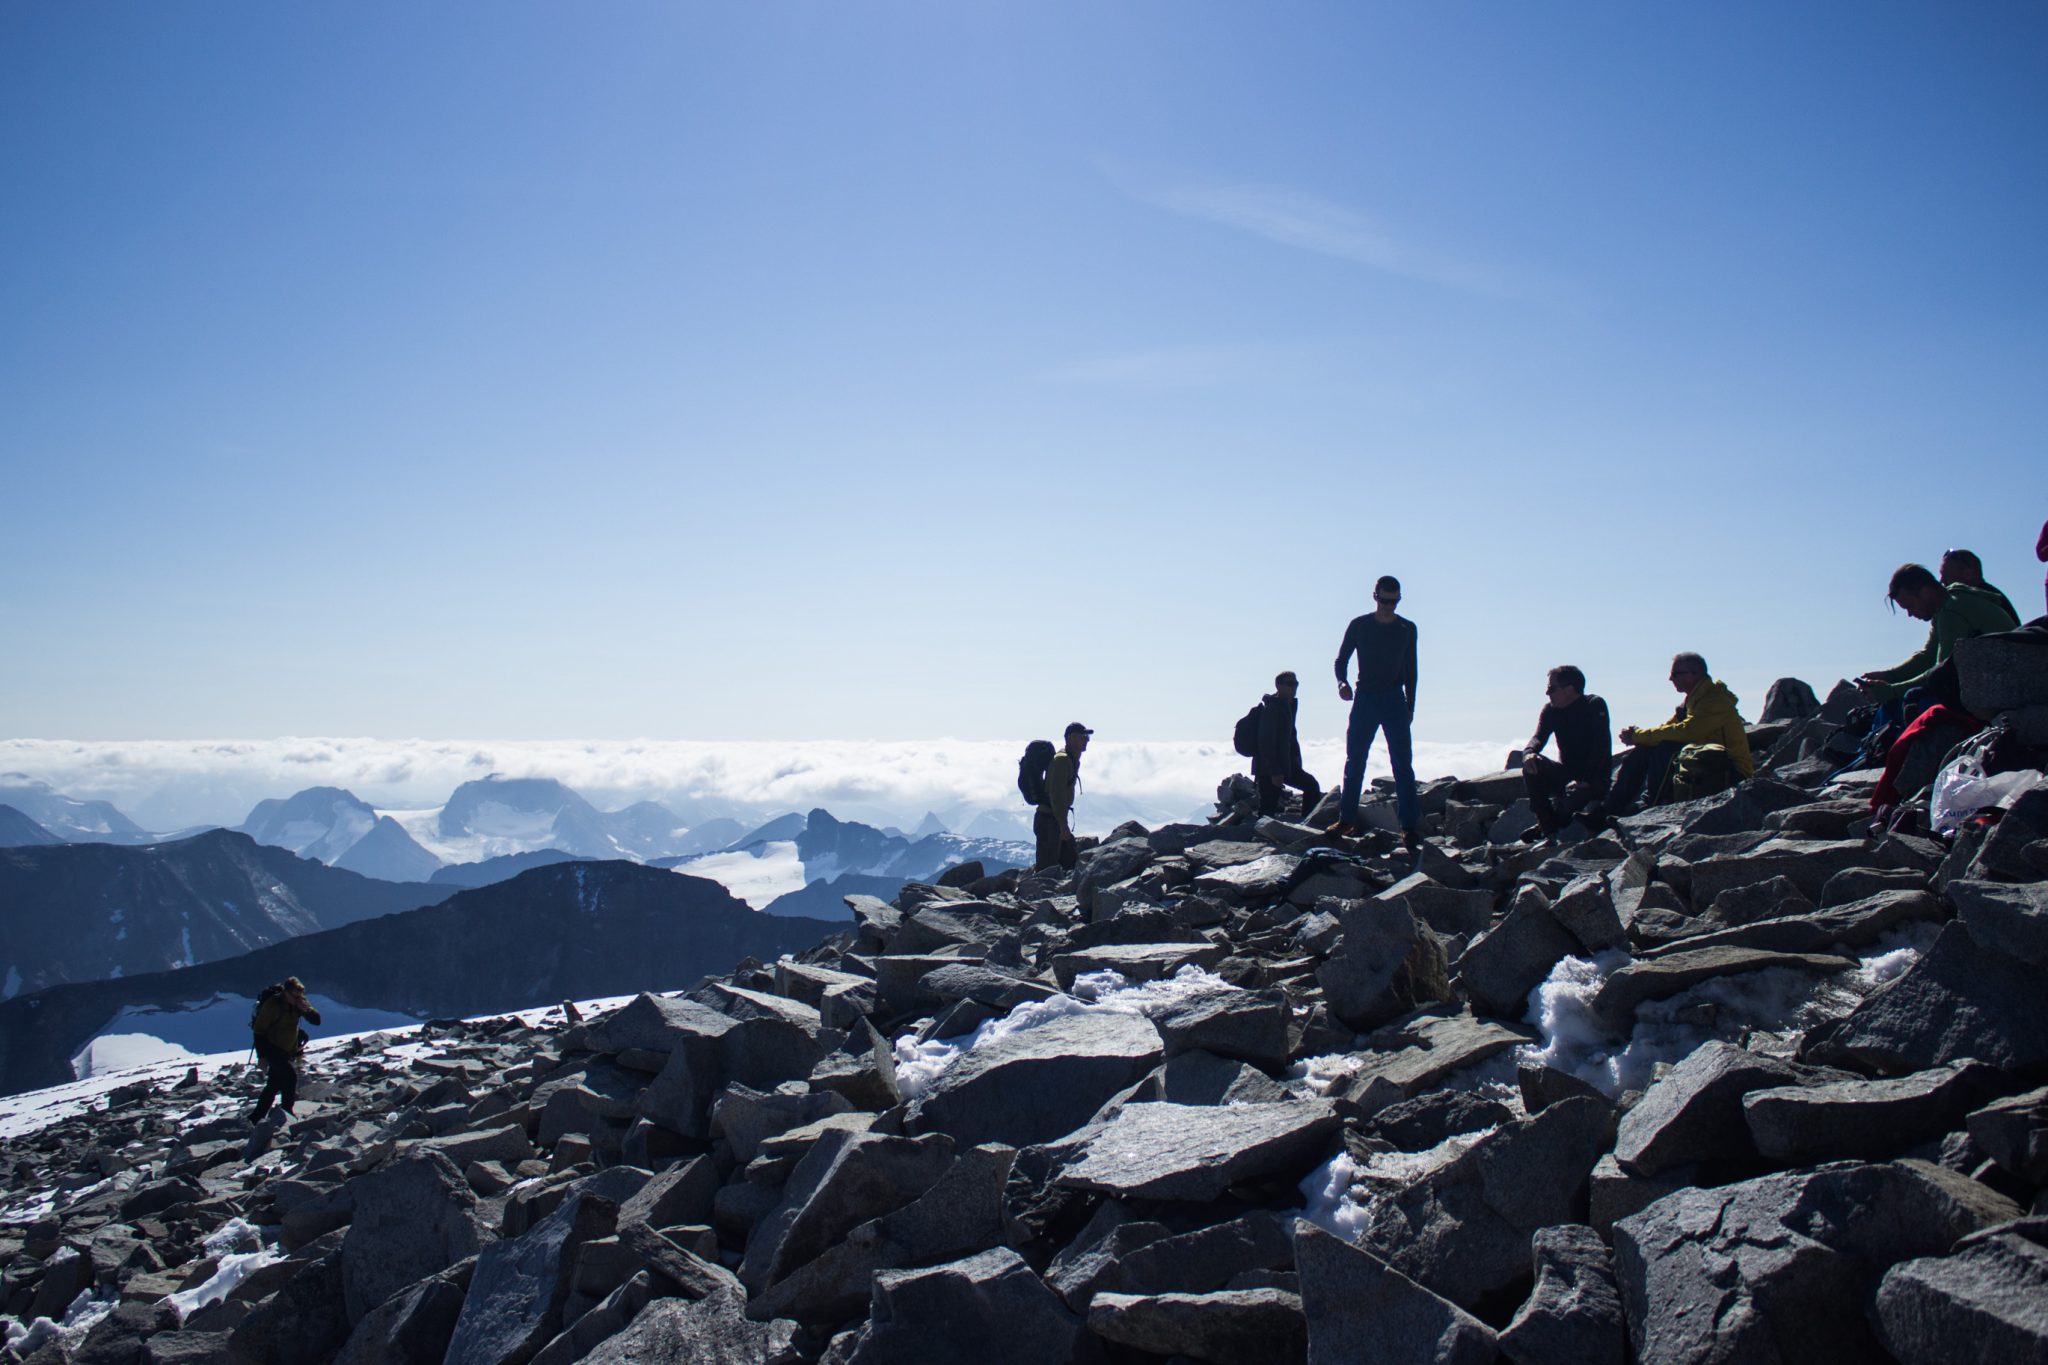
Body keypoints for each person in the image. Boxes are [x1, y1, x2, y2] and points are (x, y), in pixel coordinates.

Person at [1330, 575, 1419, 847]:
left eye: (1393, 601)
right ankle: (1347, 820)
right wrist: (1342, 683)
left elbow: (1412, 670)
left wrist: (1410, 705)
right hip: (1365, 699)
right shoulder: (1360, 625)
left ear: (1399, 600)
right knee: (1355, 760)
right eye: (1384, 600)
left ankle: (1409, 827)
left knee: (1402, 765)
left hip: (1394, 700)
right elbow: (1341, 659)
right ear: (1375, 596)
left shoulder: (1407, 629)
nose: (1388, 606)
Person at [1855, 563, 2020, 703]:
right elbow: (1928, 656)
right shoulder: (1946, 606)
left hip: (2006, 688)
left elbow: (1942, 674)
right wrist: (1890, 677)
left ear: (1925, 592)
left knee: (1912, 699)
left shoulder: (1952, 612)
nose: (1910, 614)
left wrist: (1891, 692)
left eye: (1910, 606)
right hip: (1997, 680)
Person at [1610, 653, 1754, 812]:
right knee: (1644, 750)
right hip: (1703, 764)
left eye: (1675, 674)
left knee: (1667, 749)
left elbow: (1688, 731)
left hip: (1731, 771)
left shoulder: (1715, 699)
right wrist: (1638, 737)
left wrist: (1637, 736)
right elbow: (1669, 728)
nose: (1670, 679)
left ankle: (1650, 805)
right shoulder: (1691, 701)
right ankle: (1611, 808)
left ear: (1693, 674)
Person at [1515, 665, 1612, 835]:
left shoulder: (1594, 705)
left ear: (1570, 689)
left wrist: (1587, 780)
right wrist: (1529, 752)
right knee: (1533, 763)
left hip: (1595, 780)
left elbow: (1601, 746)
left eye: (1551, 688)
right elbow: (1538, 737)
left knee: (1572, 804)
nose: (1547, 693)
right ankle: (1544, 821)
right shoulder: (1551, 710)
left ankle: (1554, 824)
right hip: (1567, 775)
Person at [248, 976, 321, 1123]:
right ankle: (287, 1113)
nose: (298, 998)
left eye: (300, 995)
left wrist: (306, 1009)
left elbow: (317, 1021)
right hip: (272, 1048)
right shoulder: (272, 1005)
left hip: (287, 1050)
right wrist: (261, 1057)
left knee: (274, 1084)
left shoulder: (299, 1003)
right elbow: (259, 1031)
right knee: (290, 1077)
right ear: (286, 993)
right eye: (295, 995)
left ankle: (256, 1117)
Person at [1251, 671, 1322, 818]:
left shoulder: (1287, 707)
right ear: (1278, 685)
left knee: (1311, 786)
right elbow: (1266, 743)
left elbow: (1289, 739)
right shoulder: (1272, 709)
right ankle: (1261, 837)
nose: (1294, 687)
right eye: (1290, 684)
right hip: (1269, 767)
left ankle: (1305, 828)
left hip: (1286, 765)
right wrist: (1275, 772)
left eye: (1296, 684)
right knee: (1268, 807)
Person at [1035, 722, 1091, 872]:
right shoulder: (1062, 760)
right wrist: (1063, 825)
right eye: (1083, 737)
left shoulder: (1070, 759)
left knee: (1070, 864)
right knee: (1046, 870)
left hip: (1053, 819)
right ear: (1070, 739)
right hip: (1050, 821)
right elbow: (1057, 793)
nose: (1086, 740)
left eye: (1087, 737)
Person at [1938, 548, 2018, 625]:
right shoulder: (1991, 596)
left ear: (1968, 574)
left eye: (1946, 576)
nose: (1941, 581)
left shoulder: (1979, 600)